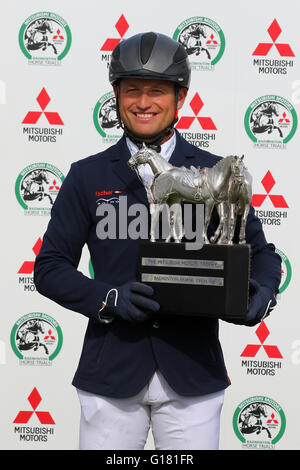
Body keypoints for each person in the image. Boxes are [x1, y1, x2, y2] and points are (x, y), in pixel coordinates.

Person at [34, 32, 281, 450]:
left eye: (156, 91)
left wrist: (259, 294)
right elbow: (50, 268)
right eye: (132, 90)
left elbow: (262, 255)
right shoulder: (86, 176)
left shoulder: (214, 172)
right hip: (109, 373)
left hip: (192, 373)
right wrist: (107, 297)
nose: (143, 102)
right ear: (116, 95)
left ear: (180, 98)